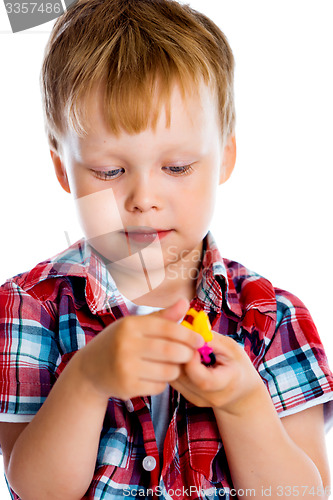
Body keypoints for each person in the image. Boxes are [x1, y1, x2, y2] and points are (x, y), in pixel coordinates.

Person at [0, 0, 332, 498]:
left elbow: (305, 494)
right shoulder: (30, 308)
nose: (143, 199)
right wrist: (88, 380)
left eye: (176, 167)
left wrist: (243, 403)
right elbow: (36, 489)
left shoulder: (271, 317)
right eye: (109, 171)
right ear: (62, 169)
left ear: (225, 157)